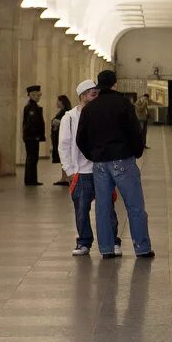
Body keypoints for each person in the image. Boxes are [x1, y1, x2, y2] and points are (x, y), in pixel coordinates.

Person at [75, 70, 154, 260]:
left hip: (100, 164)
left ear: (99, 85)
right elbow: (135, 132)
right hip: (123, 161)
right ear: (115, 84)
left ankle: (106, 249)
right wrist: (136, 152)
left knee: (102, 207)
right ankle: (142, 248)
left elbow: (80, 139)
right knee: (134, 206)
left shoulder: (89, 109)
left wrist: (93, 155)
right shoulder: (123, 104)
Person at [59, 80, 122, 257]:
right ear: (83, 96)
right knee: (81, 209)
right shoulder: (69, 118)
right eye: (93, 94)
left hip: (101, 169)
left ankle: (113, 241)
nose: (96, 97)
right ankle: (84, 242)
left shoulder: (101, 114)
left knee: (108, 207)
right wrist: (70, 170)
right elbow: (63, 145)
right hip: (82, 172)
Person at [21, 85, 45, 186]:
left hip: (33, 137)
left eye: (39, 95)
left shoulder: (34, 106)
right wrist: (36, 135)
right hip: (31, 138)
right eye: (36, 95)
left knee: (33, 158)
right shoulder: (31, 107)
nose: (38, 97)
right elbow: (32, 124)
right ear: (31, 95)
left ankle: (32, 179)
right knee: (32, 158)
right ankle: (30, 180)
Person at [50, 95, 72, 185]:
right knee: (62, 158)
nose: (56, 103)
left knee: (65, 158)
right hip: (58, 137)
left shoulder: (66, 112)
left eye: (58, 101)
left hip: (63, 139)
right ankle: (64, 177)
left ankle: (66, 177)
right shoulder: (61, 112)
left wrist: (58, 123)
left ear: (62, 102)